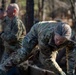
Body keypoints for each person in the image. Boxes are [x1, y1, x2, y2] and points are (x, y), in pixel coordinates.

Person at [0, 20, 72, 75]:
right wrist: (61, 73)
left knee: (51, 62)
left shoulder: (71, 40)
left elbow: (72, 56)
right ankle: (3, 68)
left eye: (61, 41)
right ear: (54, 34)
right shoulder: (45, 35)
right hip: (36, 31)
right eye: (57, 39)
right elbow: (47, 59)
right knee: (24, 53)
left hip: (49, 39)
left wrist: (70, 72)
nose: (58, 42)